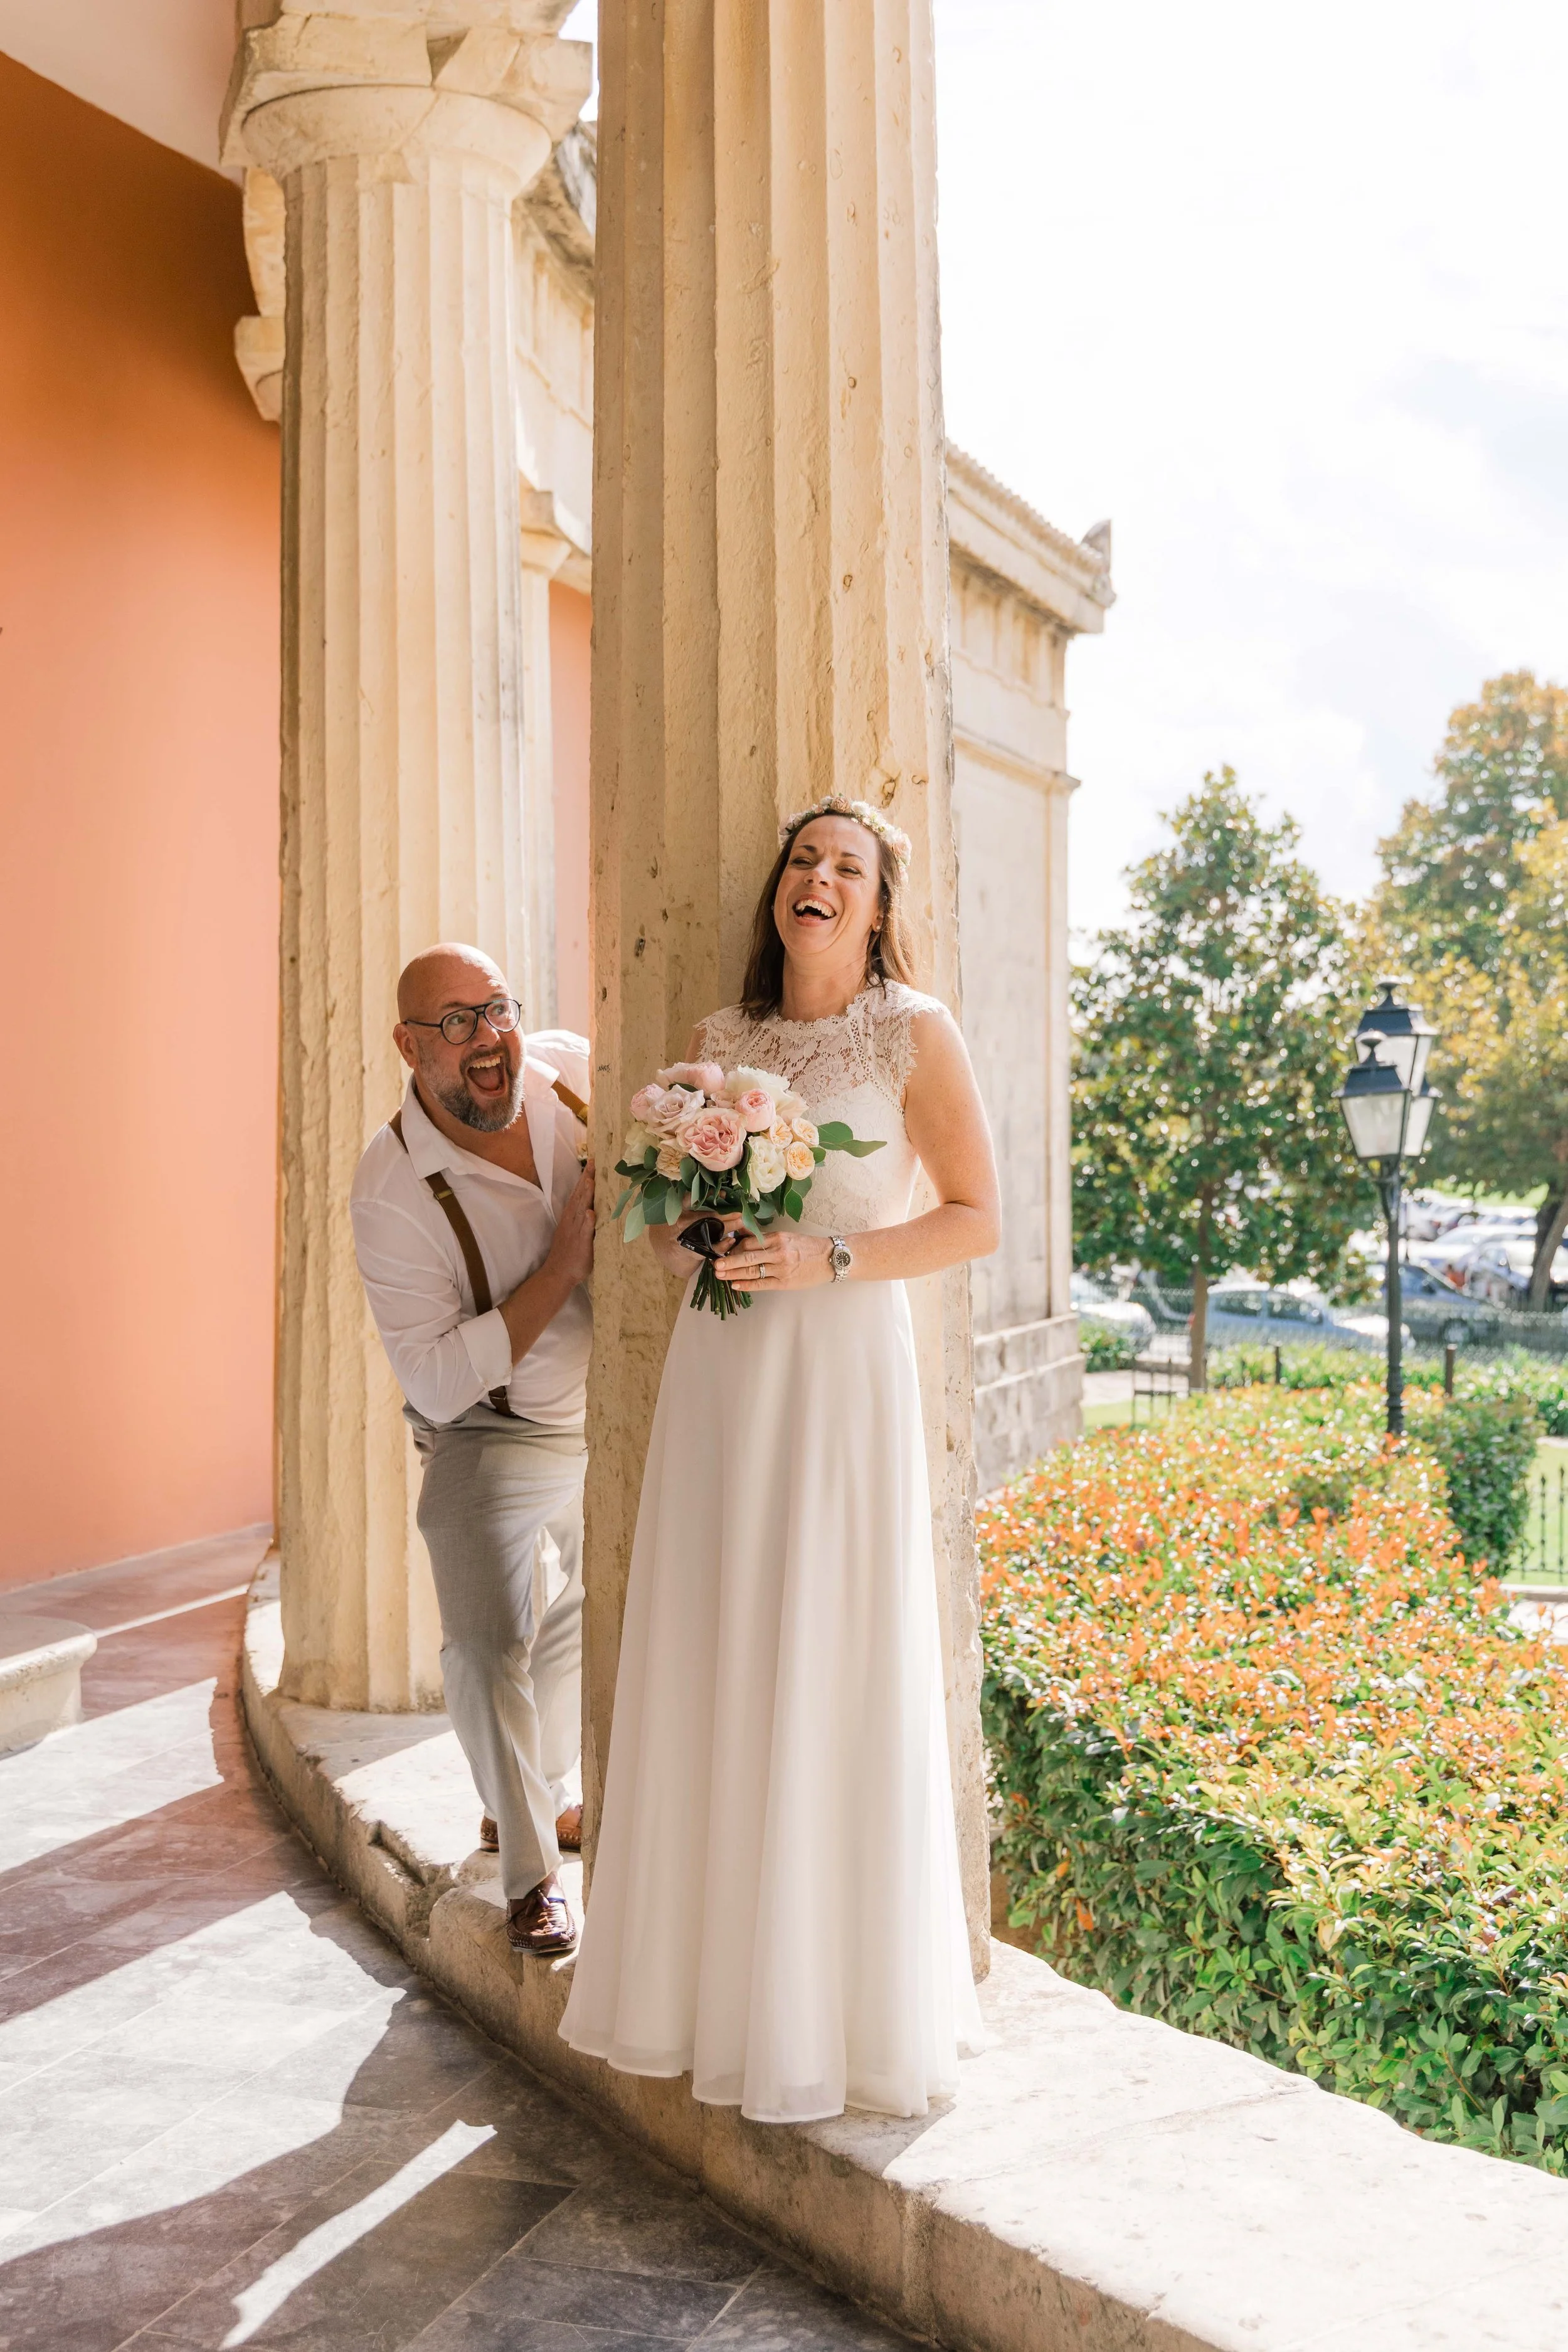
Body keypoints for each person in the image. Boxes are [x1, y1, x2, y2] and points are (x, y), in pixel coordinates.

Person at [560, 797, 1000, 2121]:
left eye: (846, 868)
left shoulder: (912, 1032)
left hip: (840, 1365)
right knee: (715, 1640)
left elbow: (977, 1219)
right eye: (803, 860)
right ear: (780, 890)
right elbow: (658, 1224)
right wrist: (689, 1233)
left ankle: (832, 2012)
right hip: (725, 1360)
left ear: (876, 907)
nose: (816, 878)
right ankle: (703, 1992)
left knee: (826, 1645)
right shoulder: (717, 1046)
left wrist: (832, 1257)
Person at [351, 944, 596, 1958]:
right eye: (454, 1023)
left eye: (495, 1009)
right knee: (484, 1644)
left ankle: (522, 1790)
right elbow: (440, 1381)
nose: (487, 1039)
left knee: (623, 1598)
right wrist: (566, 1261)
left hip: (608, 1411)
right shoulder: (392, 1187)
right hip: (487, 1428)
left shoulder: (575, 1075)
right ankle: (531, 1875)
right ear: (409, 1047)